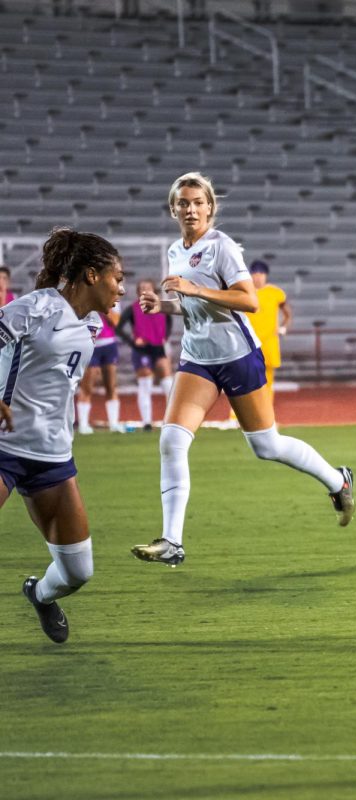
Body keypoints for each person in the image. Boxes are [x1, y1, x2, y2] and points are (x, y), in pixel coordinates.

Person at [130, 172, 355, 568]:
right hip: (198, 358)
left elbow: (249, 300)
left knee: (266, 446)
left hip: (237, 356)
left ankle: (338, 481)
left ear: (210, 207)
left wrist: (194, 289)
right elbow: (195, 306)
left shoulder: (222, 247)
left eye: (198, 202)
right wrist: (165, 306)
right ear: (173, 209)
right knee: (171, 441)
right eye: (183, 203)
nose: (191, 209)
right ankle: (172, 541)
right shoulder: (174, 250)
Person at [2, 228, 125, 642]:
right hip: (4, 446)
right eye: (117, 278)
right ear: (92, 275)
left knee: (78, 571)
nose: (121, 289)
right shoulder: (34, 308)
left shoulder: (91, 324)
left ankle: (39, 594)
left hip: (52, 458)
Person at [114, 278, 174, 430]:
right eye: (142, 288)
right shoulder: (132, 309)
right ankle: (147, 422)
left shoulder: (161, 306)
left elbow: (169, 321)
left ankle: (171, 420)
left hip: (159, 348)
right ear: (138, 292)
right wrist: (133, 342)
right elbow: (119, 328)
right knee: (145, 384)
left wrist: (165, 337)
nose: (145, 290)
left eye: (148, 287)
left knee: (169, 383)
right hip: (142, 350)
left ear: (154, 290)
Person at [245, 260, 290, 402]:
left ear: (266, 275)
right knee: (244, 379)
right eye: (255, 273)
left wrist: (283, 327)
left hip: (269, 342)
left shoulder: (275, 292)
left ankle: (267, 415)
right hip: (249, 343)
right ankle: (237, 415)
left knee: (268, 381)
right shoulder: (245, 291)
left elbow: (287, 313)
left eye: (261, 274)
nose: (258, 277)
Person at [75, 298, 121, 434]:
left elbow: (115, 321)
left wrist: (102, 306)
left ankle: (114, 423)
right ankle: (83, 424)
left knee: (111, 385)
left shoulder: (112, 297)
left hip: (109, 344)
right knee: (87, 386)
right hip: (90, 344)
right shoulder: (84, 296)